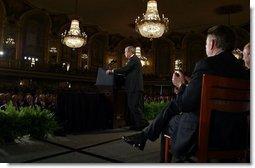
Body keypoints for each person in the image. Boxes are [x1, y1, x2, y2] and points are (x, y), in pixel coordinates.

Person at [122, 25, 249, 162]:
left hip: (207, 134)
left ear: (212, 44)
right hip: (236, 135)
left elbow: (186, 104)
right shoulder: (243, 71)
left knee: (170, 118)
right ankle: (144, 136)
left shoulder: (206, 65)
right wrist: (190, 83)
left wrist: (181, 85)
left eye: (206, 44)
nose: (205, 47)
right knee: (174, 108)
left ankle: (161, 154)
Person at [106, 46, 149, 130]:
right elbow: (127, 72)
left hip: (134, 87)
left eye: (125, 52)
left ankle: (143, 123)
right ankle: (138, 124)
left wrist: (112, 71)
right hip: (132, 87)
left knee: (134, 106)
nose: (125, 53)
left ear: (130, 52)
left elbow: (126, 69)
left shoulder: (134, 59)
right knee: (132, 106)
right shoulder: (132, 60)